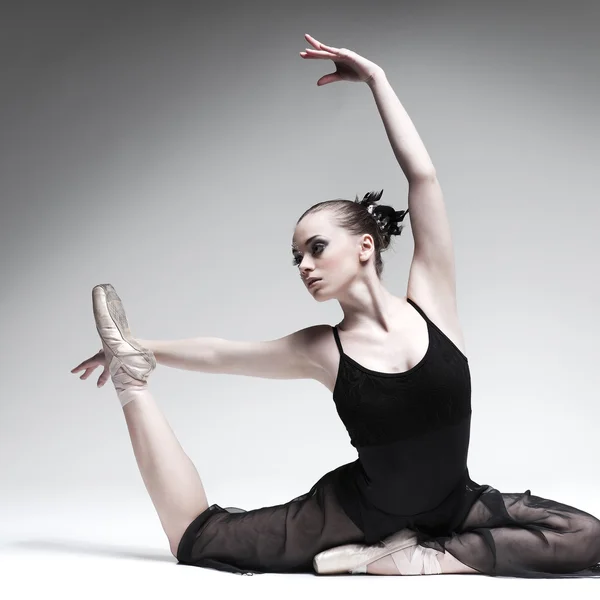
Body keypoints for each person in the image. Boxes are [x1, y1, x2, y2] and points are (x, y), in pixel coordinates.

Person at [70, 34, 600, 578]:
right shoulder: (322, 349)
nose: (304, 265)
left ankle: (419, 556)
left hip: (454, 506)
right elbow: (223, 353)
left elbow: (424, 179)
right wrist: (135, 348)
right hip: (355, 513)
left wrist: (377, 81)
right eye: (296, 256)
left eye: (316, 248)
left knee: (586, 537)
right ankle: (131, 384)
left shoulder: (433, 301)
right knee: (199, 540)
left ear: (365, 246)